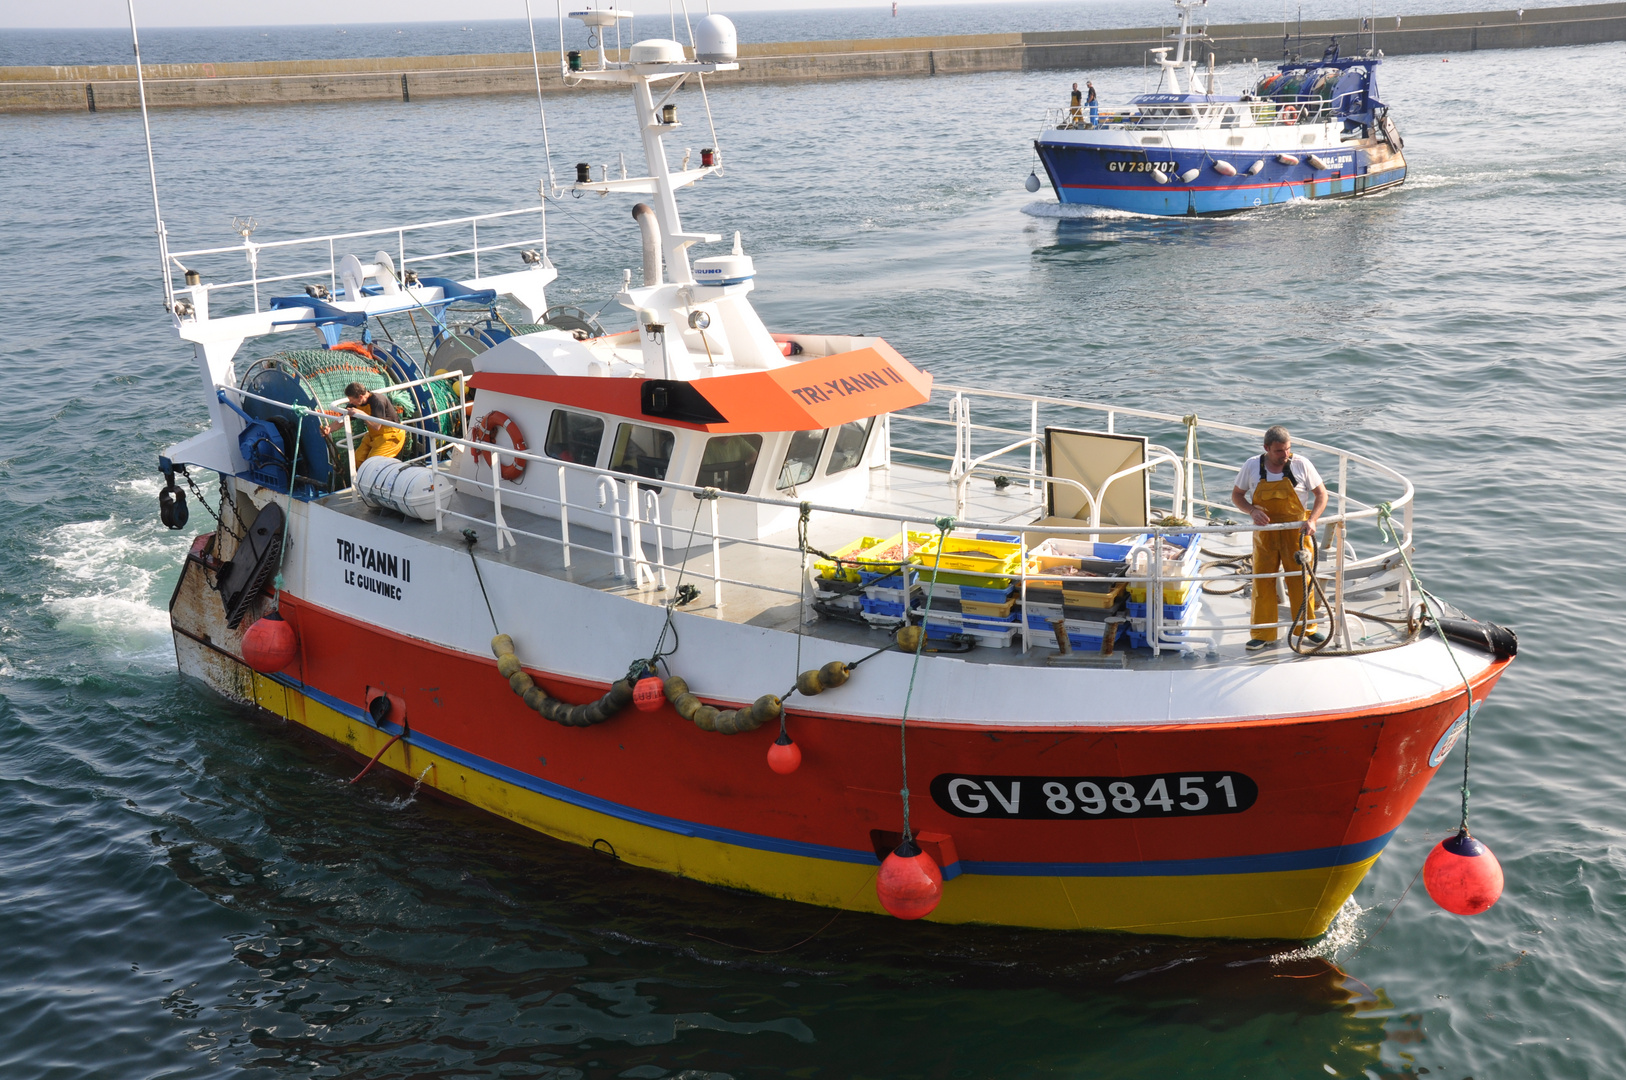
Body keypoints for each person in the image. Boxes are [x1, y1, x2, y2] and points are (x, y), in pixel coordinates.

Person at [1230, 426, 1328, 651]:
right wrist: (1253, 511)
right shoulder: (1252, 466)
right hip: (1265, 536)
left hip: (1297, 534)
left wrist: (1312, 519)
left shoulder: (1301, 464)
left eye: (1288, 449)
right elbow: (1237, 495)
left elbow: (1322, 494)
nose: (1285, 455)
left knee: (1301, 581)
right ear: (1266, 449)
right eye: (1279, 451)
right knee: (1263, 582)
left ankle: (1307, 628)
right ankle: (1263, 633)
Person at [343, 381, 406, 465]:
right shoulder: (356, 403)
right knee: (357, 460)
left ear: (361, 397)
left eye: (351, 400)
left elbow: (376, 426)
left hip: (391, 436)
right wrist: (329, 429)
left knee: (372, 464)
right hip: (374, 436)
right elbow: (343, 419)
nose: (350, 403)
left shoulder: (378, 401)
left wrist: (361, 413)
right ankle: (360, 477)